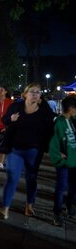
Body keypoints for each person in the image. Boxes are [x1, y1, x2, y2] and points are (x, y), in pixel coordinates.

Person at [0, 83, 55, 220]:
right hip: (15, 149)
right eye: (32, 91)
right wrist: (11, 119)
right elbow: (4, 120)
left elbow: (52, 125)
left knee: (31, 178)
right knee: (12, 177)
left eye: (38, 92)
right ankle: (5, 208)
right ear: (25, 94)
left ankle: (29, 204)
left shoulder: (44, 110)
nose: (35, 94)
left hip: (34, 151)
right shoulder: (16, 106)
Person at [49, 95, 76, 226]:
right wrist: (58, 155)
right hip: (64, 162)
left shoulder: (72, 120)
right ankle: (57, 213)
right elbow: (53, 141)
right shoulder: (59, 122)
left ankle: (70, 206)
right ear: (71, 108)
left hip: (74, 160)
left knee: (73, 187)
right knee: (61, 187)